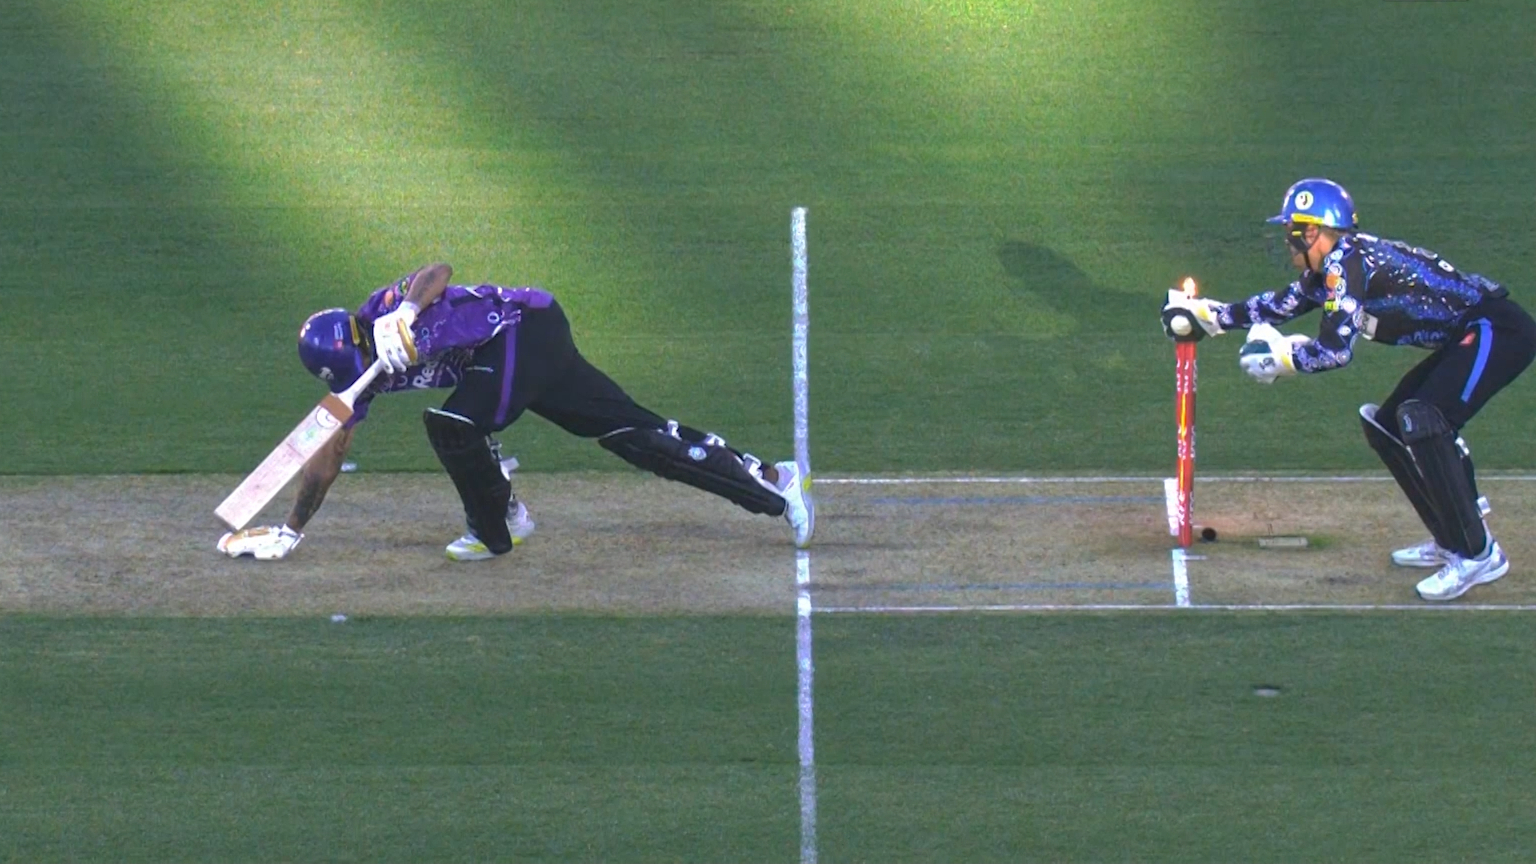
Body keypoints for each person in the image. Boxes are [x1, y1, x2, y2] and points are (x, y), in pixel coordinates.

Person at [217, 263, 814, 562]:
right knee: (635, 434)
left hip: (524, 332)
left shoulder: (384, 310)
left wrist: (403, 316)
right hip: (516, 358)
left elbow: (437, 271)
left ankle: (497, 524)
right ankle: (775, 483)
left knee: (454, 425)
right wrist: (292, 531)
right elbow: (328, 455)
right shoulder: (360, 382)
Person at [1161, 178, 1535, 601]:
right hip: (1468, 334)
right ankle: (1451, 538)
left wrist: (1283, 361)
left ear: (1314, 231)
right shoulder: (1333, 266)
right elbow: (1279, 305)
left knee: (1423, 416)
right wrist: (1209, 316)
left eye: (1293, 232)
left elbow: (1336, 352)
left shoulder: (1344, 265)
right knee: (1389, 424)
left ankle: (1478, 554)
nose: (1288, 242)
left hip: (1497, 330)